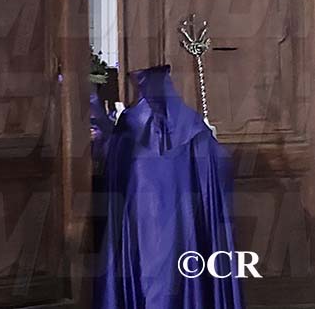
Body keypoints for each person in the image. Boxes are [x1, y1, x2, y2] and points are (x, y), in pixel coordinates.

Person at [94, 65, 242, 309]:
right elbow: (221, 168)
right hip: (184, 228)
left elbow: (112, 175)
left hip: (141, 229)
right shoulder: (194, 128)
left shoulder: (127, 130)